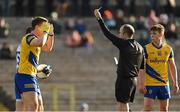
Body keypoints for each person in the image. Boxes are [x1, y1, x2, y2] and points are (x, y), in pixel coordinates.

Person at [94, 8, 144, 111]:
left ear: (125, 34)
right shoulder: (140, 47)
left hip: (125, 79)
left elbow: (107, 34)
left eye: (120, 32)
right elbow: (141, 66)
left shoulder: (124, 43)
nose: (119, 34)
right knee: (123, 104)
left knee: (123, 104)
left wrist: (99, 18)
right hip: (133, 80)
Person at [14, 17, 54, 111]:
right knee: (33, 106)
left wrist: (51, 33)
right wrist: (45, 32)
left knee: (36, 107)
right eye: (43, 26)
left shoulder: (35, 40)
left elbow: (48, 48)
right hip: (25, 75)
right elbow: (41, 43)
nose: (46, 28)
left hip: (29, 75)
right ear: (36, 27)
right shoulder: (29, 37)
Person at [138, 24, 179, 111]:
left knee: (164, 109)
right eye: (151, 33)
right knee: (147, 109)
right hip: (150, 84)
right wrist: (142, 83)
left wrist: (175, 82)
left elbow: (172, 66)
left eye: (154, 33)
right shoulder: (146, 49)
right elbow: (142, 68)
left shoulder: (168, 49)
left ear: (161, 34)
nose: (152, 35)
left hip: (164, 84)